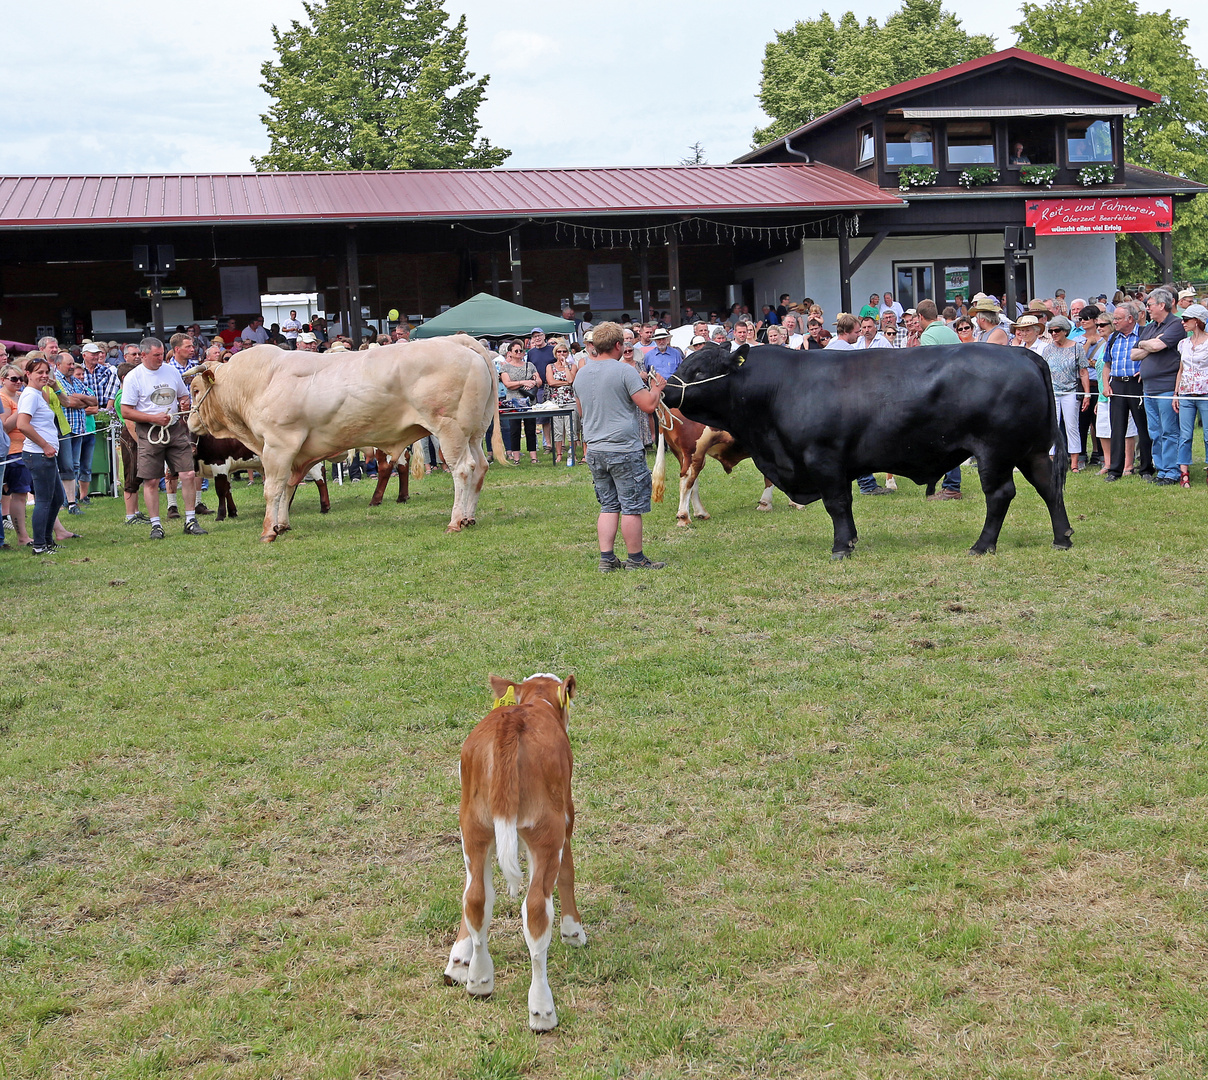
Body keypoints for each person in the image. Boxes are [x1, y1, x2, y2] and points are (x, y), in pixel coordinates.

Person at [573, 321, 667, 571]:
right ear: (618, 345)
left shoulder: (581, 372)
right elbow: (648, 405)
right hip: (623, 449)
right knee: (631, 507)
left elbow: (581, 411)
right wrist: (656, 388)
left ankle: (607, 558)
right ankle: (636, 559)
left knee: (608, 505)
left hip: (595, 449)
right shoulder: (624, 371)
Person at [120, 337, 207, 538]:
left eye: (162, 354)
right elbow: (126, 411)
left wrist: (184, 403)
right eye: (156, 355)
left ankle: (191, 520)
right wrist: (152, 418)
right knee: (151, 480)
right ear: (143, 355)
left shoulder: (171, 371)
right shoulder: (134, 377)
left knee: (188, 474)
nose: (161, 358)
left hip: (175, 429)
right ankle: (156, 525)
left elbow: (183, 396)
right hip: (149, 431)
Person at [1133, 287, 1184, 484]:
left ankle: (1172, 471)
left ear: (1162, 305)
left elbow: (1155, 346)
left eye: (1150, 305)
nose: (1147, 309)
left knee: (1169, 431)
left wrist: (1146, 344)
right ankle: (1161, 470)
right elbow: (1133, 354)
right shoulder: (1150, 327)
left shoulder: (1176, 325)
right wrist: (1149, 343)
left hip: (1167, 387)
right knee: (1154, 431)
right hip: (1149, 388)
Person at [15, 359, 66, 554]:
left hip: (46, 454)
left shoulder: (38, 394)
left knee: (57, 498)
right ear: (27, 374)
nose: (44, 376)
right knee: (44, 500)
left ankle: (46, 540)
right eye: (39, 372)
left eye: (46, 372)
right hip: (39, 454)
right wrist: (44, 445)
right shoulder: (30, 396)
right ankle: (39, 545)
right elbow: (23, 424)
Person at [1102, 300, 1152, 481]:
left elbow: (1154, 356)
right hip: (1117, 384)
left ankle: (1146, 468)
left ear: (1130, 319)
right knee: (1117, 428)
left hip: (1137, 384)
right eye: (1114, 318)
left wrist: (1145, 368)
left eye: (1117, 318)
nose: (1114, 322)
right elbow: (1106, 364)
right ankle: (1115, 470)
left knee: (1143, 427)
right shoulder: (1113, 338)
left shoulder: (1145, 334)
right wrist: (1106, 385)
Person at [1042, 316, 1091, 471]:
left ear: (1065, 331)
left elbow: (1083, 372)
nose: (1053, 333)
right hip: (1053, 393)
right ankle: (1052, 460)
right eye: (1051, 331)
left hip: (1070, 391)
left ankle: (1075, 462)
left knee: (1071, 426)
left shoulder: (1076, 348)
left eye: (1056, 330)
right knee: (1052, 426)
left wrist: (1087, 394)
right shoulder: (1047, 349)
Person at [1173, 302, 1208, 488]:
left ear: (1197, 321)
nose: (1183, 322)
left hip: (1206, 394)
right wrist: (1176, 393)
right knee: (1185, 435)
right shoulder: (1183, 344)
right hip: (1186, 393)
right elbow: (1181, 369)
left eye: (1186, 319)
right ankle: (1184, 473)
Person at [498, 340, 541, 464]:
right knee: (514, 429)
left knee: (530, 429)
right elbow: (507, 384)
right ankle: (516, 457)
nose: (518, 353)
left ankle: (534, 457)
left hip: (529, 402)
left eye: (520, 350)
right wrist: (523, 382)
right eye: (516, 350)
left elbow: (539, 381)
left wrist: (533, 382)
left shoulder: (530, 365)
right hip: (513, 402)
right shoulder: (505, 367)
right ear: (510, 353)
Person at [544, 339, 579, 466]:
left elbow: (571, 380)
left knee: (571, 429)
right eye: (559, 351)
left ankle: (573, 453)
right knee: (557, 429)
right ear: (555, 353)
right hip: (556, 402)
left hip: (570, 401)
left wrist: (565, 367)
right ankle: (559, 454)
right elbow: (551, 382)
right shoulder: (550, 366)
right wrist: (565, 383)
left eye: (564, 351)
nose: (562, 354)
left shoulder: (572, 366)